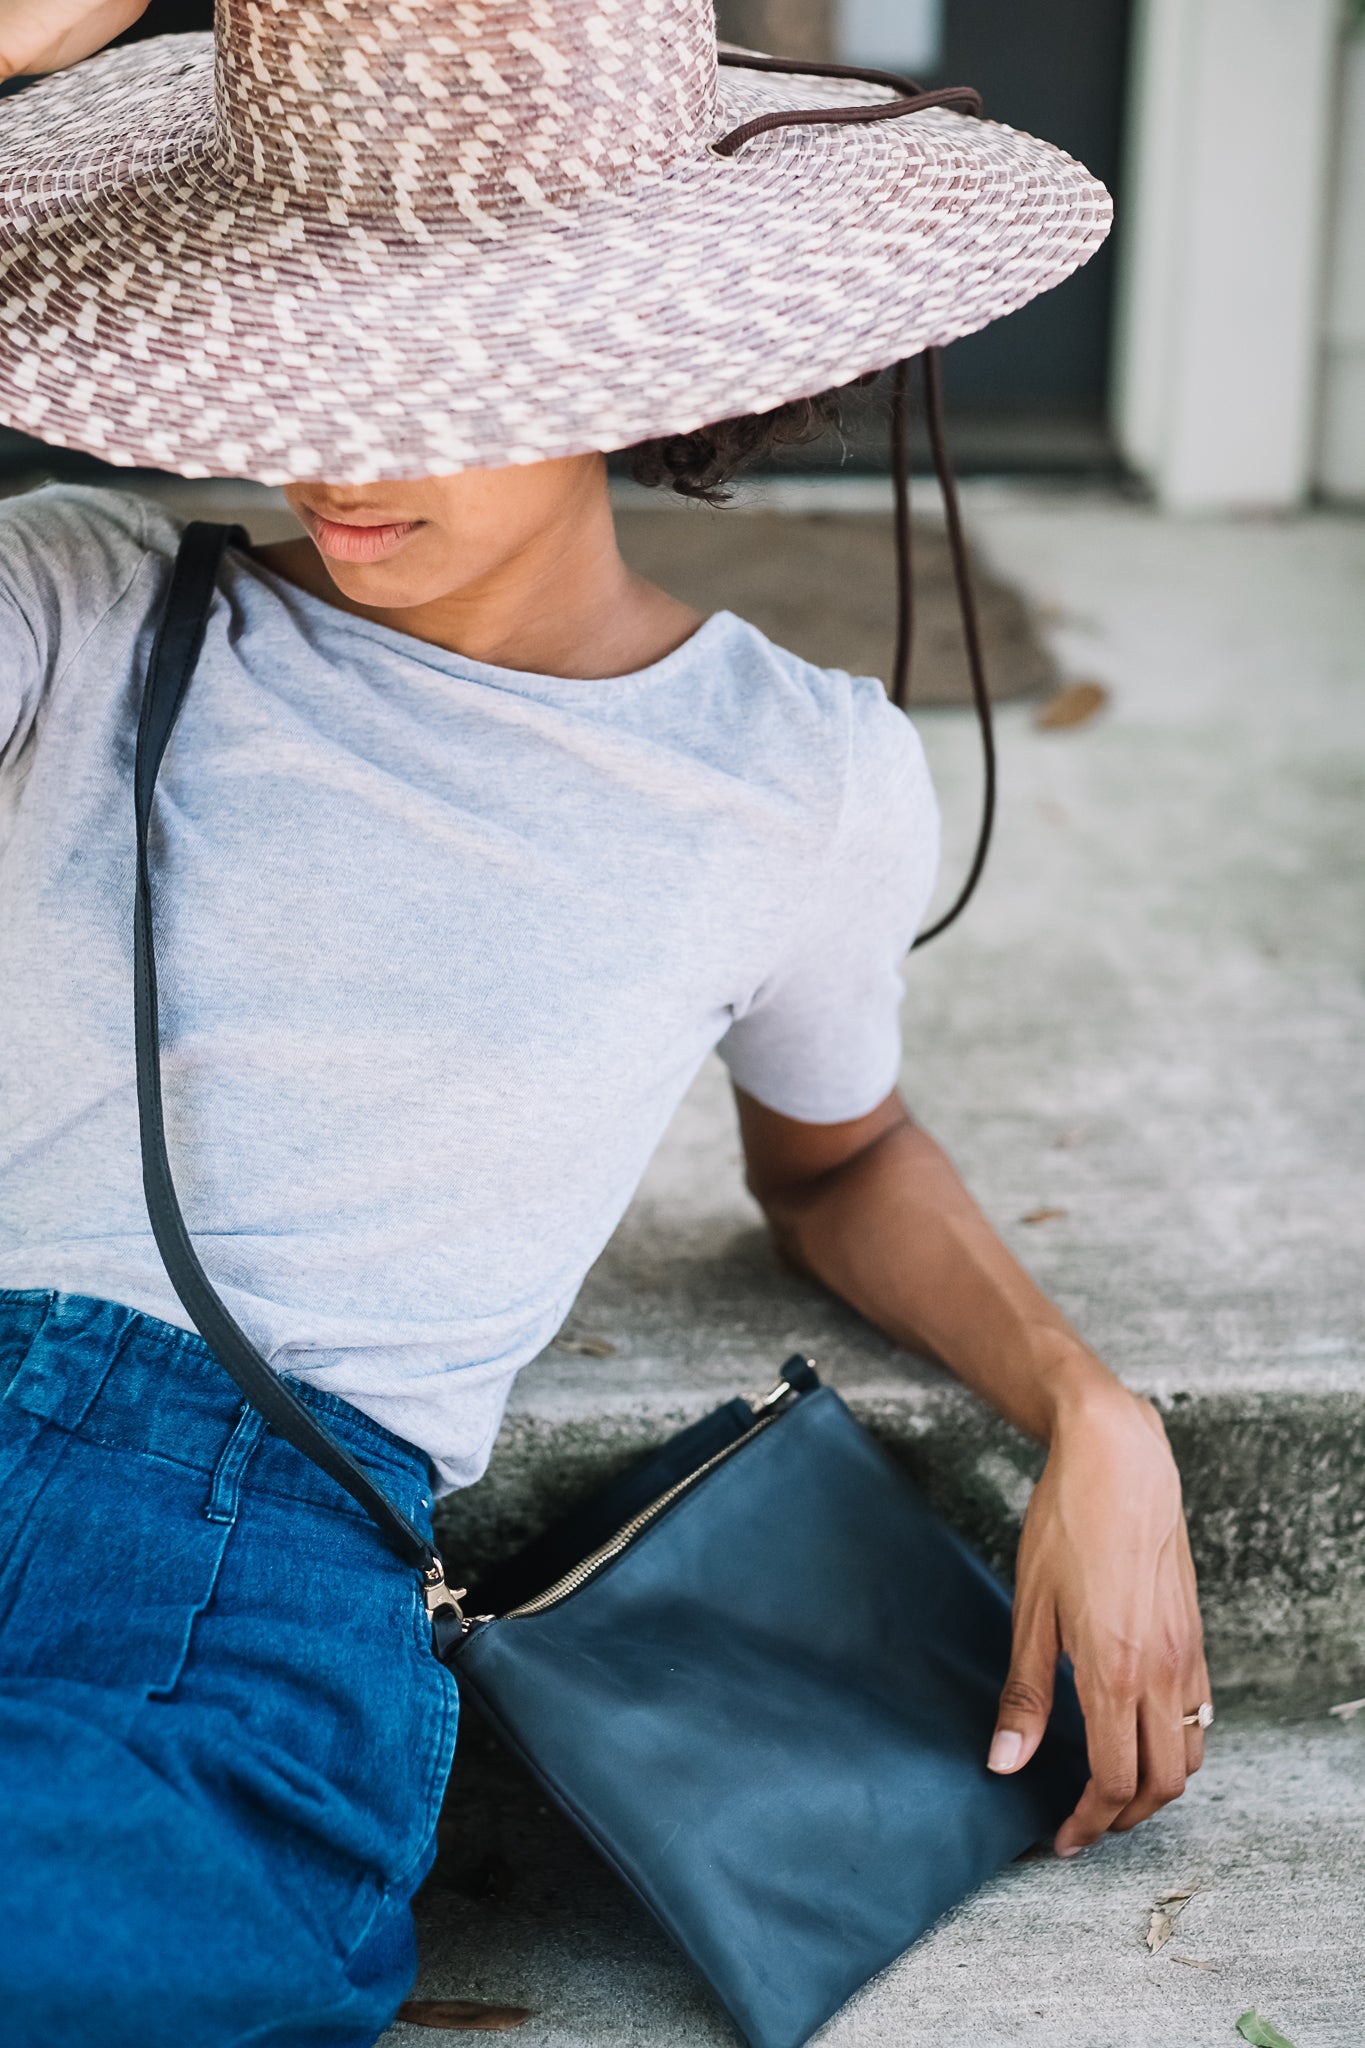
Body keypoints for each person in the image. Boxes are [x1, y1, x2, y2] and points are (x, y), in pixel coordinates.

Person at [0, 3, 1211, 2043]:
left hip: (255, 1598)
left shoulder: (789, 777)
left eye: (426, 365)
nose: (332, 447)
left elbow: (835, 1162)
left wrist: (1087, 1406)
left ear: (615, 355)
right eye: (291, 342)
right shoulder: (85, 594)